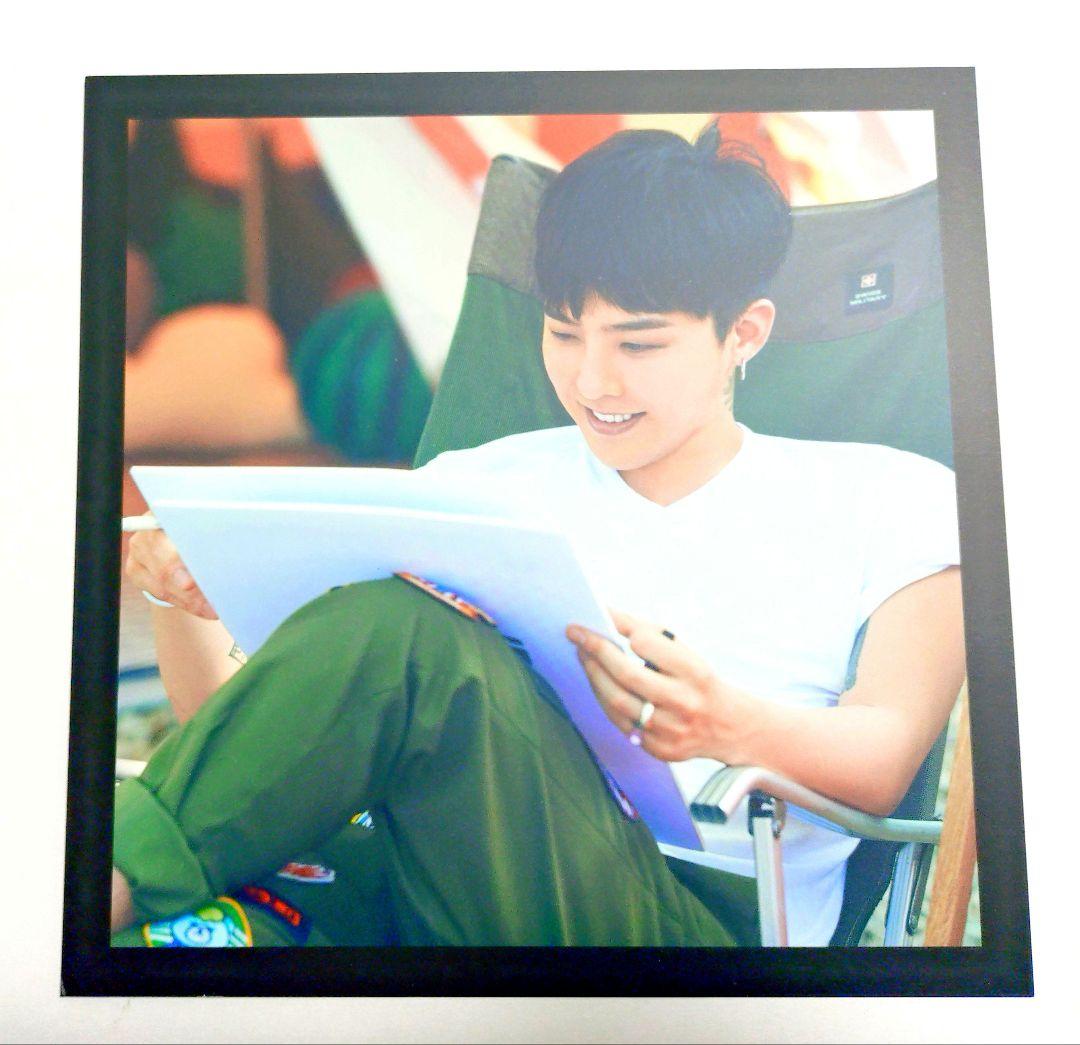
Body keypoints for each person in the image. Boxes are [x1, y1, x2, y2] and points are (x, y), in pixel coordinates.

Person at [114, 125, 964, 948]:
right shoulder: (474, 483)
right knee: (185, 945)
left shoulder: (889, 497)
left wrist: (725, 721)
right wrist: (178, 594)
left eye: (638, 343)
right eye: (563, 332)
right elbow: (250, 770)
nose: (593, 380)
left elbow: (887, 752)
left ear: (743, 332)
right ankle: (109, 904)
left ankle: (91, 893)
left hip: (675, 919)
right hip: (414, 879)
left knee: (411, 630)